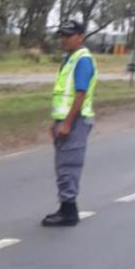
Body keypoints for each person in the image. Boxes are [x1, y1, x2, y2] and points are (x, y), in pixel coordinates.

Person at [42, 20, 97, 227]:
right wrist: (55, 120)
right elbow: (62, 95)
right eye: (62, 35)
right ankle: (65, 207)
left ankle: (69, 211)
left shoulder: (82, 60)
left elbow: (80, 94)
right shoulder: (69, 59)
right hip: (65, 119)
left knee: (69, 166)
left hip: (75, 121)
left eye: (68, 35)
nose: (64, 39)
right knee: (62, 165)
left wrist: (67, 123)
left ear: (80, 37)